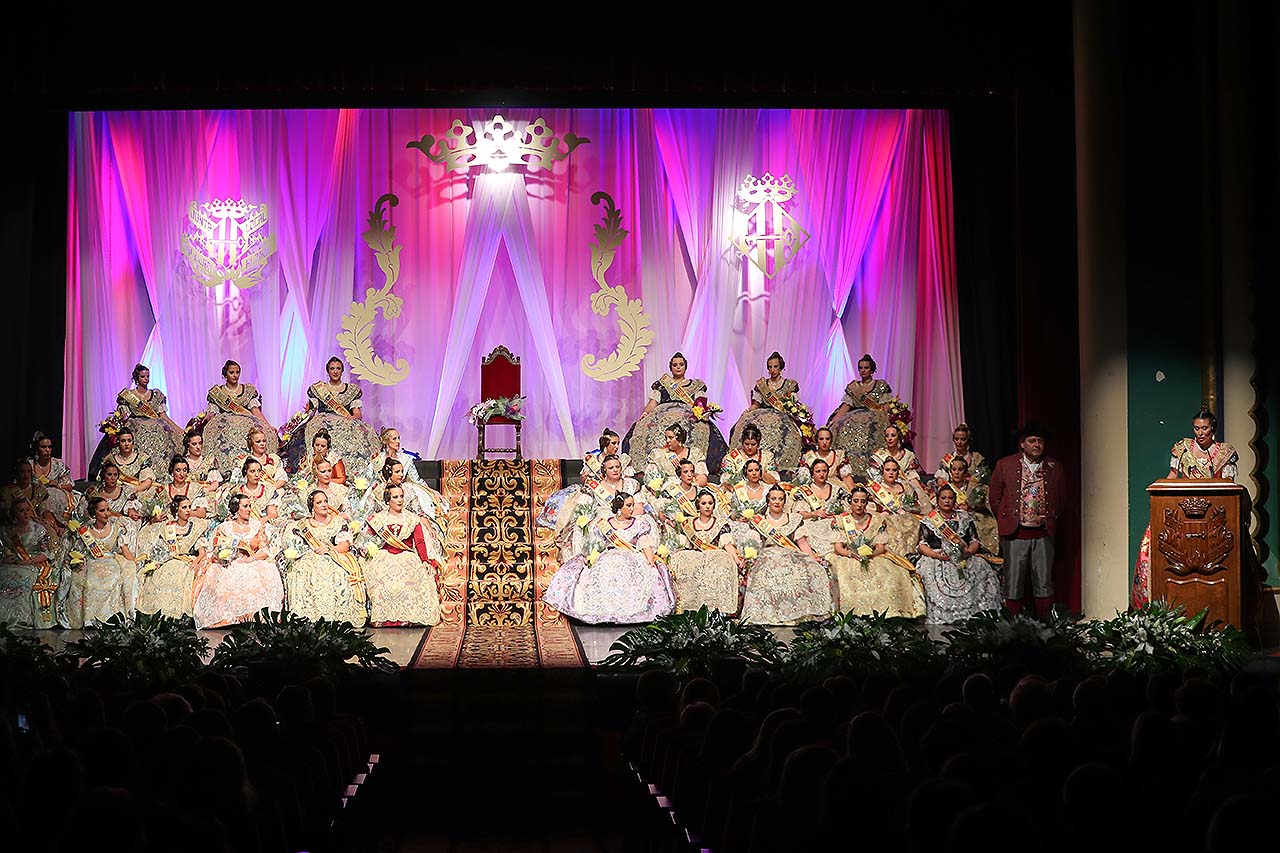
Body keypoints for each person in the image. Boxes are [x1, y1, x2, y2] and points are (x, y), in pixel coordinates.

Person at [1130, 408, 1238, 609]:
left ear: (1212, 428)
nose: (1200, 432)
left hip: (1213, 517)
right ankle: (1147, 605)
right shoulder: (1182, 448)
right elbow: (1172, 477)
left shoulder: (1225, 453)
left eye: (1204, 428)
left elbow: (1229, 485)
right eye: (1196, 428)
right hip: (1182, 514)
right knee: (1150, 539)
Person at [543, 492, 674, 624]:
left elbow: (645, 544)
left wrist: (650, 560)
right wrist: (592, 557)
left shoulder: (639, 524)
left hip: (632, 558)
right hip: (608, 556)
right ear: (619, 507)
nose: (632, 508)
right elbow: (597, 546)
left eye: (633, 505)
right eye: (628, 505)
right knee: (603, 570)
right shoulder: (605, 524)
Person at [988, 424, 1066, 618]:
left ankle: (1044, 626)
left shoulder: (1053, 466)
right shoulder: (1005, 464)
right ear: (1022, 444)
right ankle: (1011, 627)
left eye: (1040, 441)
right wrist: (1008, 518)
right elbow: (994, 497)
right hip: (1016, 533)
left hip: (1043, 533)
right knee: (1013, 581)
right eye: (1032, 441)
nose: (1037, 445)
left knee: (1043, 582)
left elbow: (1062, 497)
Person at [737, 485, 834, 625]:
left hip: (790, 554)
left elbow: (803, 544)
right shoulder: (759, 521)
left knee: (805, 571)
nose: (777, 502)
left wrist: (813, 560)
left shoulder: (794, 519)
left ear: (784, 501)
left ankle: (799, 613)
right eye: (774, 499)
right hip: (767, 555)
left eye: (780, 499)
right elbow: (754, 544)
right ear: (768, 501)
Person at [823, 486, 925, 618]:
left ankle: (888, 613)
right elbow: (838, 548)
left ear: (866, 502)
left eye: (863, 501)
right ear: (850, 502)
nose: (859, 505)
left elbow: (880, 547)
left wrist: (870, 554)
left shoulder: (877, 520)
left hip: (872, 555)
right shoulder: (841, 521)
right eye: (856, 501)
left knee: (891, 573)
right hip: (847, 556)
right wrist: (851, 554)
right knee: (843, 574)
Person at [623, 352, 728, 475]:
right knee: (642, 429)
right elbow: (653, 402)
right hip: (661, 414)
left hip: (688, 414)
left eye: (681, 364)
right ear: (670, 367)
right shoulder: (663, 385)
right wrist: (645, 413)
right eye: (675, 365)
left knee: (703, 430)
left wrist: (703, 412)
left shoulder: (695, 385)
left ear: (685, 366)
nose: (678, 367)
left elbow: (700, 404)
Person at [913, 484, 1002, 624]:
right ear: (937, 500)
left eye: (950, 498)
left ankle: (976, 612)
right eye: (943, 498)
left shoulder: (965, 518)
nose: (947, 501)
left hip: (964, 557)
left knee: (981, 566)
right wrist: (935, 555)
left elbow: (974, 541)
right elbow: (921, 544)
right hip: (937, 557)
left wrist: (968, 552)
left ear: (955, 500)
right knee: (927, 570)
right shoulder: (930, 520)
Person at [194, 493, 284, 628]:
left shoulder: (256, 526)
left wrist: (251, 559)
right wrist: (226, 557)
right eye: (245, 506)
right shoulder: (224, 528)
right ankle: (229, 618)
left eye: (250, 506)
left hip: (253, 561)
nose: (249, 509)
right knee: (220, 572)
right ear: (236, 508)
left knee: (267, 571)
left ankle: (257, 617)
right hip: (231, 562)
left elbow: (264, 550)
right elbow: (217, 549)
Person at [359, 484, 441, 627]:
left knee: (410, 581)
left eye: (401, 496)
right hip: (383, 556)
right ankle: (381, 617)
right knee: (380, 582)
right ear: (388, 499)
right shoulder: (377, 519)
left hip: (407, 556)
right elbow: (367, 539)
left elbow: (420, 542)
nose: (399, 500)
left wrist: (425, 560)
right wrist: (365, 549)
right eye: (395, 497)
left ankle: (407, 617)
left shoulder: (412, 519)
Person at [281, 491, 367, 625]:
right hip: (310, 557)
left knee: (338, 574)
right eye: (319, 502)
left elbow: (345, 544)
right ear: (312, 507)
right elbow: (296, 547)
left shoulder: (337, 522)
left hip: (334, 555)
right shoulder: (302, 525)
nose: (323, 505)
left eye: (325, 501)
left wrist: (329, 550)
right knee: (305, 573)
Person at [297, 356, 381, 475]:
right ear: (328, 371)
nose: (335, 371)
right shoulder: (319, 389)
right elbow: (311, 410)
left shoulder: (351, 390)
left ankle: (349, 472)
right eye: (332, 368)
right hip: (323, 422)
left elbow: (357, 414)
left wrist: (350, 419)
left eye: (338, 368)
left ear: (342, 371)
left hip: (345, 421)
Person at [728, 352, 812, 471]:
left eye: (775, 366)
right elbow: (756, 405)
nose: (772, 370)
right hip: (762, 413)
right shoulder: (762, 385)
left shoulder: (789, 384)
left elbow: (794, 405)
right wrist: (746, 412)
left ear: (781, 367)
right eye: (770, 367)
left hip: (783, 416)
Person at [551, 454, 642, 562]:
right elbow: (585, 505)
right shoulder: (594, 486)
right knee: (594, 531)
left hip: (628, 518)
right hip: (603, 519)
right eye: (611, 468)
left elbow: (639, 506)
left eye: (617, 467)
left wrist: (626, 520)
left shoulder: (631, 484)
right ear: (604, 470)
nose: (615, 470)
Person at [668, 489, 744, 615]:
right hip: (693, 555)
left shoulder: (721, 524)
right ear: (698, 505)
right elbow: (682, 545)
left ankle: (717, 609)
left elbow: (727, 544)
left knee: (722, 564)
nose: (707, 506)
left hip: (715, 555)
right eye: (704, 503)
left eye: (710, 503)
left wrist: (736, 559)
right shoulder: (688, 523)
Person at [135, 495, 212, 618]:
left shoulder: (196, 526)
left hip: (187, 561)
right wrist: (158, 562)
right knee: (159, 575)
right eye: (184, 507)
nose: (188, 510)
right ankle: (161, 615)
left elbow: (202, 552)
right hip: (168, 559)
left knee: (181, 575)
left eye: (189, 507)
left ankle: (177, 615)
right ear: (176, 510)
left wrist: (195, 562)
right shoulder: (167, 527)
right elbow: (160, 549)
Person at [69, 496, 139, 627]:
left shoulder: (117, 529)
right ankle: (91, 619)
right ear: (94, 513)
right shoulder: (86, 531)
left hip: (111, 561)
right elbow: (78, 552)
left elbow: (124, 550)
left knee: (112, 578)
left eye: (108, 510)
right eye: (102, 510)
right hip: (92, 562)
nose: (107, 513)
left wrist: (133, 562)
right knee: (91, 579)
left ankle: (111, 619)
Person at [826, 354, 893, 481]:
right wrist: (834, 421)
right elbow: (846, 405)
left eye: (866, 368)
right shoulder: (853, 387)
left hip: (874, 417)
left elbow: (885, 407)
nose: (863, 370)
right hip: (854, 415)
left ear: (872, 370)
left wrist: (887, 420)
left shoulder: (881, 385)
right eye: (860, 368)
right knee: (842, 427)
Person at [0, 497, 64, 628]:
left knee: (24, 583)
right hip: (12, 565)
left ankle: (23, 619)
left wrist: (29, 561)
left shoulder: (39, 530)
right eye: (21, 510)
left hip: (34, 564)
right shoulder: (5, 532)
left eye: (28, 510)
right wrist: (4, 559)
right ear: (14, 513)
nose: (25, 513)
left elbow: (46, 553)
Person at [203, 360, 277, 472]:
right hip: (225, 425)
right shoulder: (217, 393)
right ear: (225, 374)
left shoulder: (248, 390)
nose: (235, 375)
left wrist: (267, 425)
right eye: (231, 372)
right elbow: (212, 415)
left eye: (237, 372)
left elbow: (255, 411)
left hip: (246, 424)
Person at [110, 364, 185, 472]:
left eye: (148, 376)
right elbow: (124, 417)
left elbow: (163, 416)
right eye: (143, 376)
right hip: (135, 425)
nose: (146, 379)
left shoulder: (156, 394)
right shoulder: (128, 395)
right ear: (136, 378)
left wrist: (178, 429)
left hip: (156, 425)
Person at [368, 427, 446, 518]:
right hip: (382, 492)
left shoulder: (406, 459)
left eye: (398, 438)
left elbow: (416, 479)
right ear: (385, 441)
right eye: (394, 439)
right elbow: (369, 477)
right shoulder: (378, 459)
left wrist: (432, 492)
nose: (398, 441)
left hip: (401, 492)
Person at [865, 458, 931, 563]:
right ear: (882, 471)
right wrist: (881, 513)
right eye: (887, 470)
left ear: (898, 472)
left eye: (894, 470)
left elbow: (916, 506)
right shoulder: (874, 489)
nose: (891, 473)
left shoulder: (906, 487)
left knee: (912, 523)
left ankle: (909, 556)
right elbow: (867, 508)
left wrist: (906, 509)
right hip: (885, 519)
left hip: (906, 519)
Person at [945, 456, 999, 556]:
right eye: (954, 469)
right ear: (950, 471)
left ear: (965, 472)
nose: (957, 473)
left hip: (971, 516)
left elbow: (983, 505)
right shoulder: (944, 488)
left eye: (960, 470)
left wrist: (971, 507)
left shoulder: (974, 487)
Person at [28, 432, 86, 524]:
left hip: (60, 497)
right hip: (36, 498)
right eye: (43, 447)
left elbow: (70, 486)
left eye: (49, 447)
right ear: (36, 449)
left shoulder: (58, 464)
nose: (47, 450)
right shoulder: (30, 465)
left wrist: (58, 485)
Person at [644, 423, 710, 489]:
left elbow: (702, 477)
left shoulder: (694, 453)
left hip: (691, 488)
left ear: (679, 439)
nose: (667, 441)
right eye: (666, 438)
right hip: (667, 489)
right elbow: (650, 478)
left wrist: (692, 488)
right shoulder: (658, 454)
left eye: (670, 438)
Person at [100, 428, 158, 503]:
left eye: (129, 441)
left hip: (137, 492)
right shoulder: (110, 460)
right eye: (123, 441)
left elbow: (148, 481)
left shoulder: (142, 458)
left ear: (133, 443)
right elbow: (104, 480)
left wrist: (133, 491)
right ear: (118, 443)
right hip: (116, 494)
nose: (126, 444)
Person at [795, 426, 854, 490]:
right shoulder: (809, 456)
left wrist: (852, 491)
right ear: (817, 440)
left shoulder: (839, 455)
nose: (824, 442)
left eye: (827, 439)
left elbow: (846, 478)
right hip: (815, 489)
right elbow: (803, 480)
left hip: (835, 488)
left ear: (831, 440)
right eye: (821, 439)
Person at [158, 456, 211, 521]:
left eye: (185, 470)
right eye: (178, 470)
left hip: (190, 522)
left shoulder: (195, 488)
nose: (182, 474)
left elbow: (202, 513)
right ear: (172, 472)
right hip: (168, 524)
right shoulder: (164, 490)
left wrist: (184, 513)